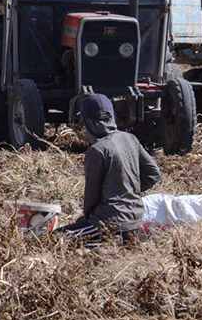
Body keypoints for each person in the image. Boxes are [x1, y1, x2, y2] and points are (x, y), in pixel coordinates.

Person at [58, 93, 161, 243]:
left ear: (89, 123)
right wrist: (129, 192)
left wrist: (87, 218)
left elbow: (91, 197)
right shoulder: (130, 139)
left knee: (54, 238)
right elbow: (154, 174)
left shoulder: (98, 150)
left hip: (108, 224)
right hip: (134, 223)